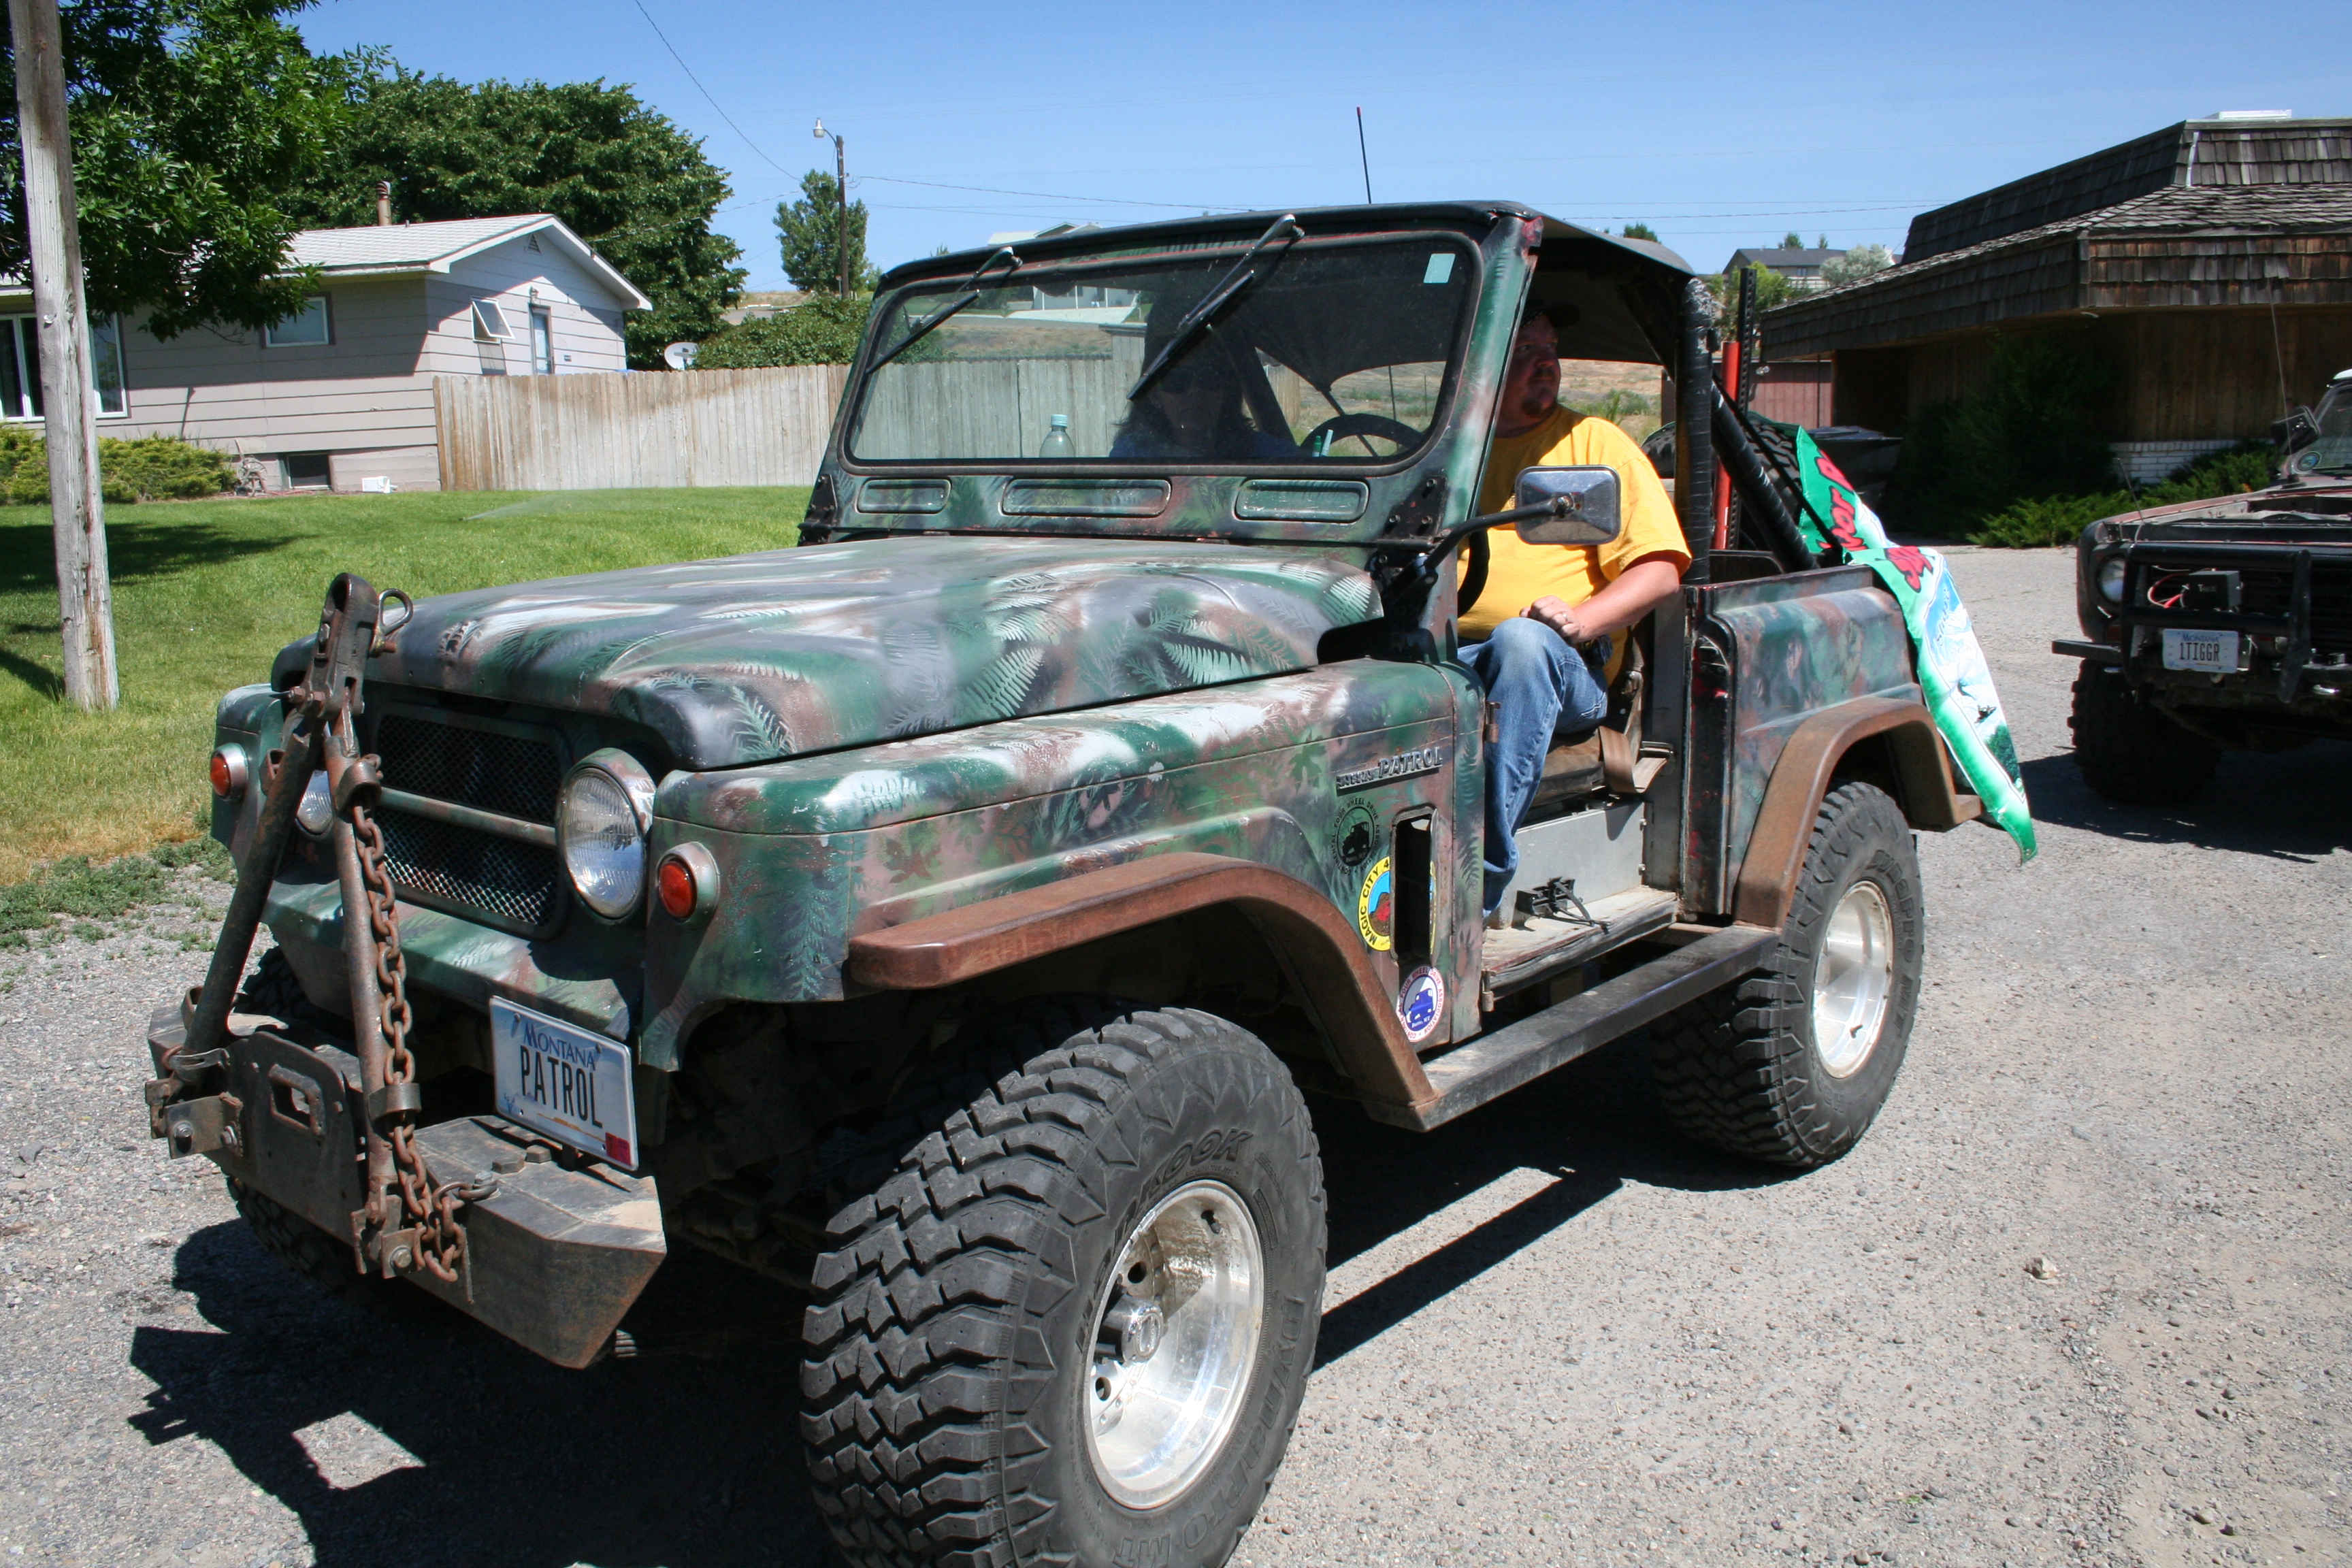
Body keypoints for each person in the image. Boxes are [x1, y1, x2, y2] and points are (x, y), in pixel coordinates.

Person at [1460, 304, 1690, 918]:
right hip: (1456, 660)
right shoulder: (1452, 455)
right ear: (1479, 363)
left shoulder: (1593, 445)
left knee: (1522, 642)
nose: (1546, 363)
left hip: (1567, 670)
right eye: (1524, 349)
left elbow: (1660, 570)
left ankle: (1475, 888)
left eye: (1551, 348)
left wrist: (1579, 622)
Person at [1110, 355, 1299, 461]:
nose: (1196, 392)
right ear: (1154, 396)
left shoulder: (1269, 455)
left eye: (1209, 378)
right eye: (1177, 381)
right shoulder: (1132, 455)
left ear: (1225, 392)